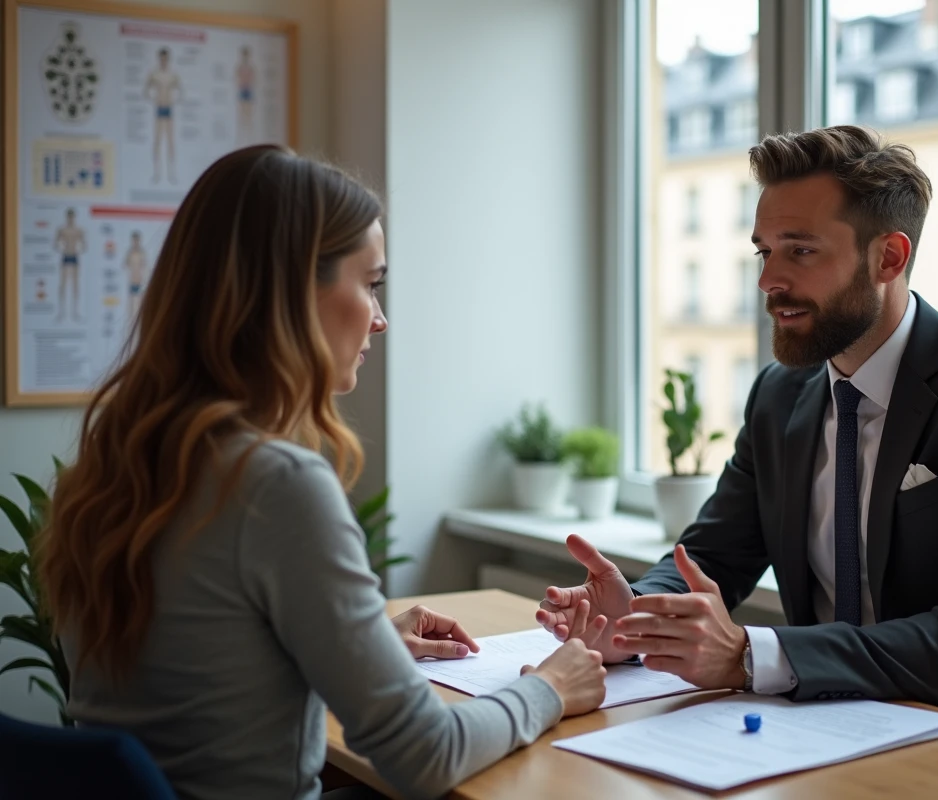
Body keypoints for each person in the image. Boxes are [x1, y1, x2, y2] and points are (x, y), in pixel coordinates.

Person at [38, 145, 609, 800]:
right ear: (290, 290)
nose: (381, 317)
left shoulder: (115, 462)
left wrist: (359, 642)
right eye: (371, 284)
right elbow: (423, 755)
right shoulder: (273, 484)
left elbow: (195, 672)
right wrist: (547, 687)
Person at [536, 125, 938, 751]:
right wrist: (637, 613)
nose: (768, 281)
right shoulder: (780, 396)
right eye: (764, 252)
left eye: (801, 251)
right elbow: (715, 556)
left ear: (888, 258)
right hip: (835, 733)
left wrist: (746, 655)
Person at [144, 47, 182, 183]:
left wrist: (173, 99)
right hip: (159, 110)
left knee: (170, 143)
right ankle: (157, 174)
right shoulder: (154, 74)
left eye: (165, 59)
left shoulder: (172, 75)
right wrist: (154, 98)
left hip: (169, 110)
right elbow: (146, 90)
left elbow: (180, 91)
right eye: (162, 59)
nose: (163, 61)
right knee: (157, 142)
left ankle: (171, 174)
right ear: (159, 59)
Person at [53, 207, 85, 323]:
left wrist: (79, 247)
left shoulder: (79, 230)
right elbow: (56, 244)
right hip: (66, 257)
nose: (71, 219)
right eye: (69, 216)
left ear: (74, 217)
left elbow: (84, 246)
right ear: (67, 217)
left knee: (75, 286)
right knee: (63, 285)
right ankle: (61, 312)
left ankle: (75, 312)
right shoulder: (62, 230)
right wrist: (61, 245)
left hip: (75, 257)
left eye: (72, 217)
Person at [122, 230, 147, 321]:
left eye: (137, 240)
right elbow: (124, 265)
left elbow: (145, 267)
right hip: (132, 281)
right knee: (131, 306)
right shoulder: (130, 253)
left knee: (140, 305)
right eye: (134, 240)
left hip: (140, 281)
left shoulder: (142, 253)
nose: (136, 242)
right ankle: (131, 324)